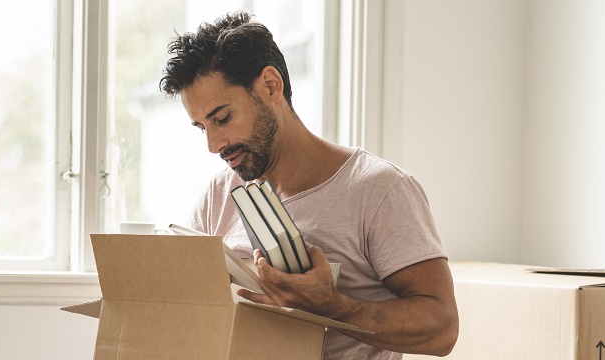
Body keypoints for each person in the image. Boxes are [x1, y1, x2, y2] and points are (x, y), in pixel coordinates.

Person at [159, 11, 458, 360]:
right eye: (201, 127)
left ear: (271, 85)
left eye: (223, 118)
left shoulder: (379, 190)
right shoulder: (220, 194)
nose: (213, 145)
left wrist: (333, 307)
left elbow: (442, 329)